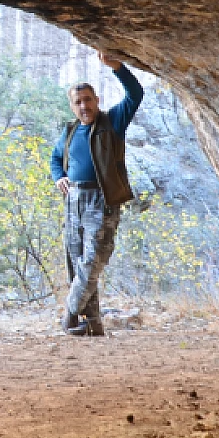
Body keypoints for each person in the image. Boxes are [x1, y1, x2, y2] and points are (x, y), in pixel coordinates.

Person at [50, 51, 143, 336]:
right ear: (72, 106)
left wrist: (117, 67)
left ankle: (70, 313)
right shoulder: (68, 132)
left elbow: (135, 94)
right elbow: (55, 159)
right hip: (73, 202)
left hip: (101, 201)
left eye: (88, 100)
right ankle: (91, 324)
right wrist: (59, 177)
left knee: (92, 261)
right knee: (77, 263)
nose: (84, 106)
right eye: (78, 102)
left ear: (97, 101)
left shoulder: (112, 122)